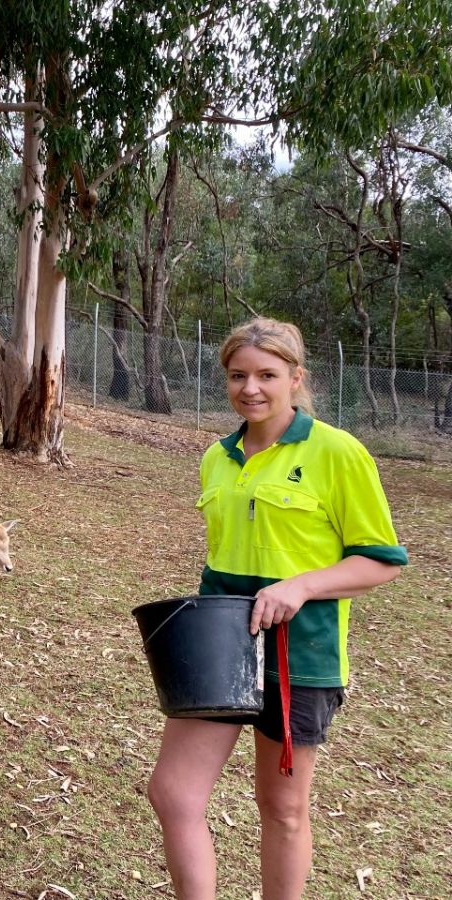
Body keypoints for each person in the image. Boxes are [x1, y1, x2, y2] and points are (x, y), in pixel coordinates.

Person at [146, 317, 408, 900]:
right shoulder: (217, 458)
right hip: (218, 648)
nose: (251, 388)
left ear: (296, 378)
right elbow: (223, 556)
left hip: (301, 655)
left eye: (267, 374)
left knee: (282, 808)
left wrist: (301, 586)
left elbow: (382, 560)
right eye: (238, 375)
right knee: (173, 792)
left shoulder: (337, 453)